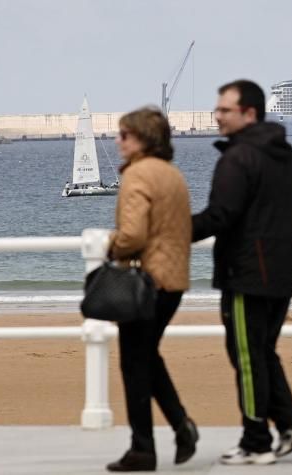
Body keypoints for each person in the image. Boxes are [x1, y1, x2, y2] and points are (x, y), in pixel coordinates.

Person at [192, 80, 292, 466]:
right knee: (261, 352)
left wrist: (169, 231)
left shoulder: (239, 158)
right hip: (282, 272)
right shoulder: (287, 156)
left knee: (246, 355)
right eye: (218, 109)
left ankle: (256, 440)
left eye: (225, 110)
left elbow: (220, 215)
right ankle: (291, 421)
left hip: (247, 275)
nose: (217, 116)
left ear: (249, 113)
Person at [105, 107, 199, 472]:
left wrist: (111, 245)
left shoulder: (138, 175)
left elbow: (133, 235)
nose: (118, 141)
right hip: (173, 281)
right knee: (146, 357)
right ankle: (181, 427)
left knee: (133, 362)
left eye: (124, 135)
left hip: (147, 282)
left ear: (143, 139)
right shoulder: (172, 174)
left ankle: (143, 447)